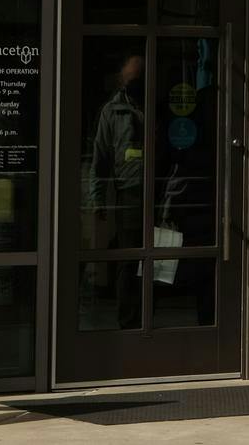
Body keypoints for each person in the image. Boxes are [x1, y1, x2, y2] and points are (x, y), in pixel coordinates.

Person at [87, 53, 146, 327]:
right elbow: (100, 160)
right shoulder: (112, 112)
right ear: (122, 80)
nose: (138, 83)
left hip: (162, 192)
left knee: (161, 259)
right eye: (133, 78)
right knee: (129, 260)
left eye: (142, 76)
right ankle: (130, 322)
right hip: (130, 193)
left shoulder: (159, 103)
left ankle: (149, 318)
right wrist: (98, 200)